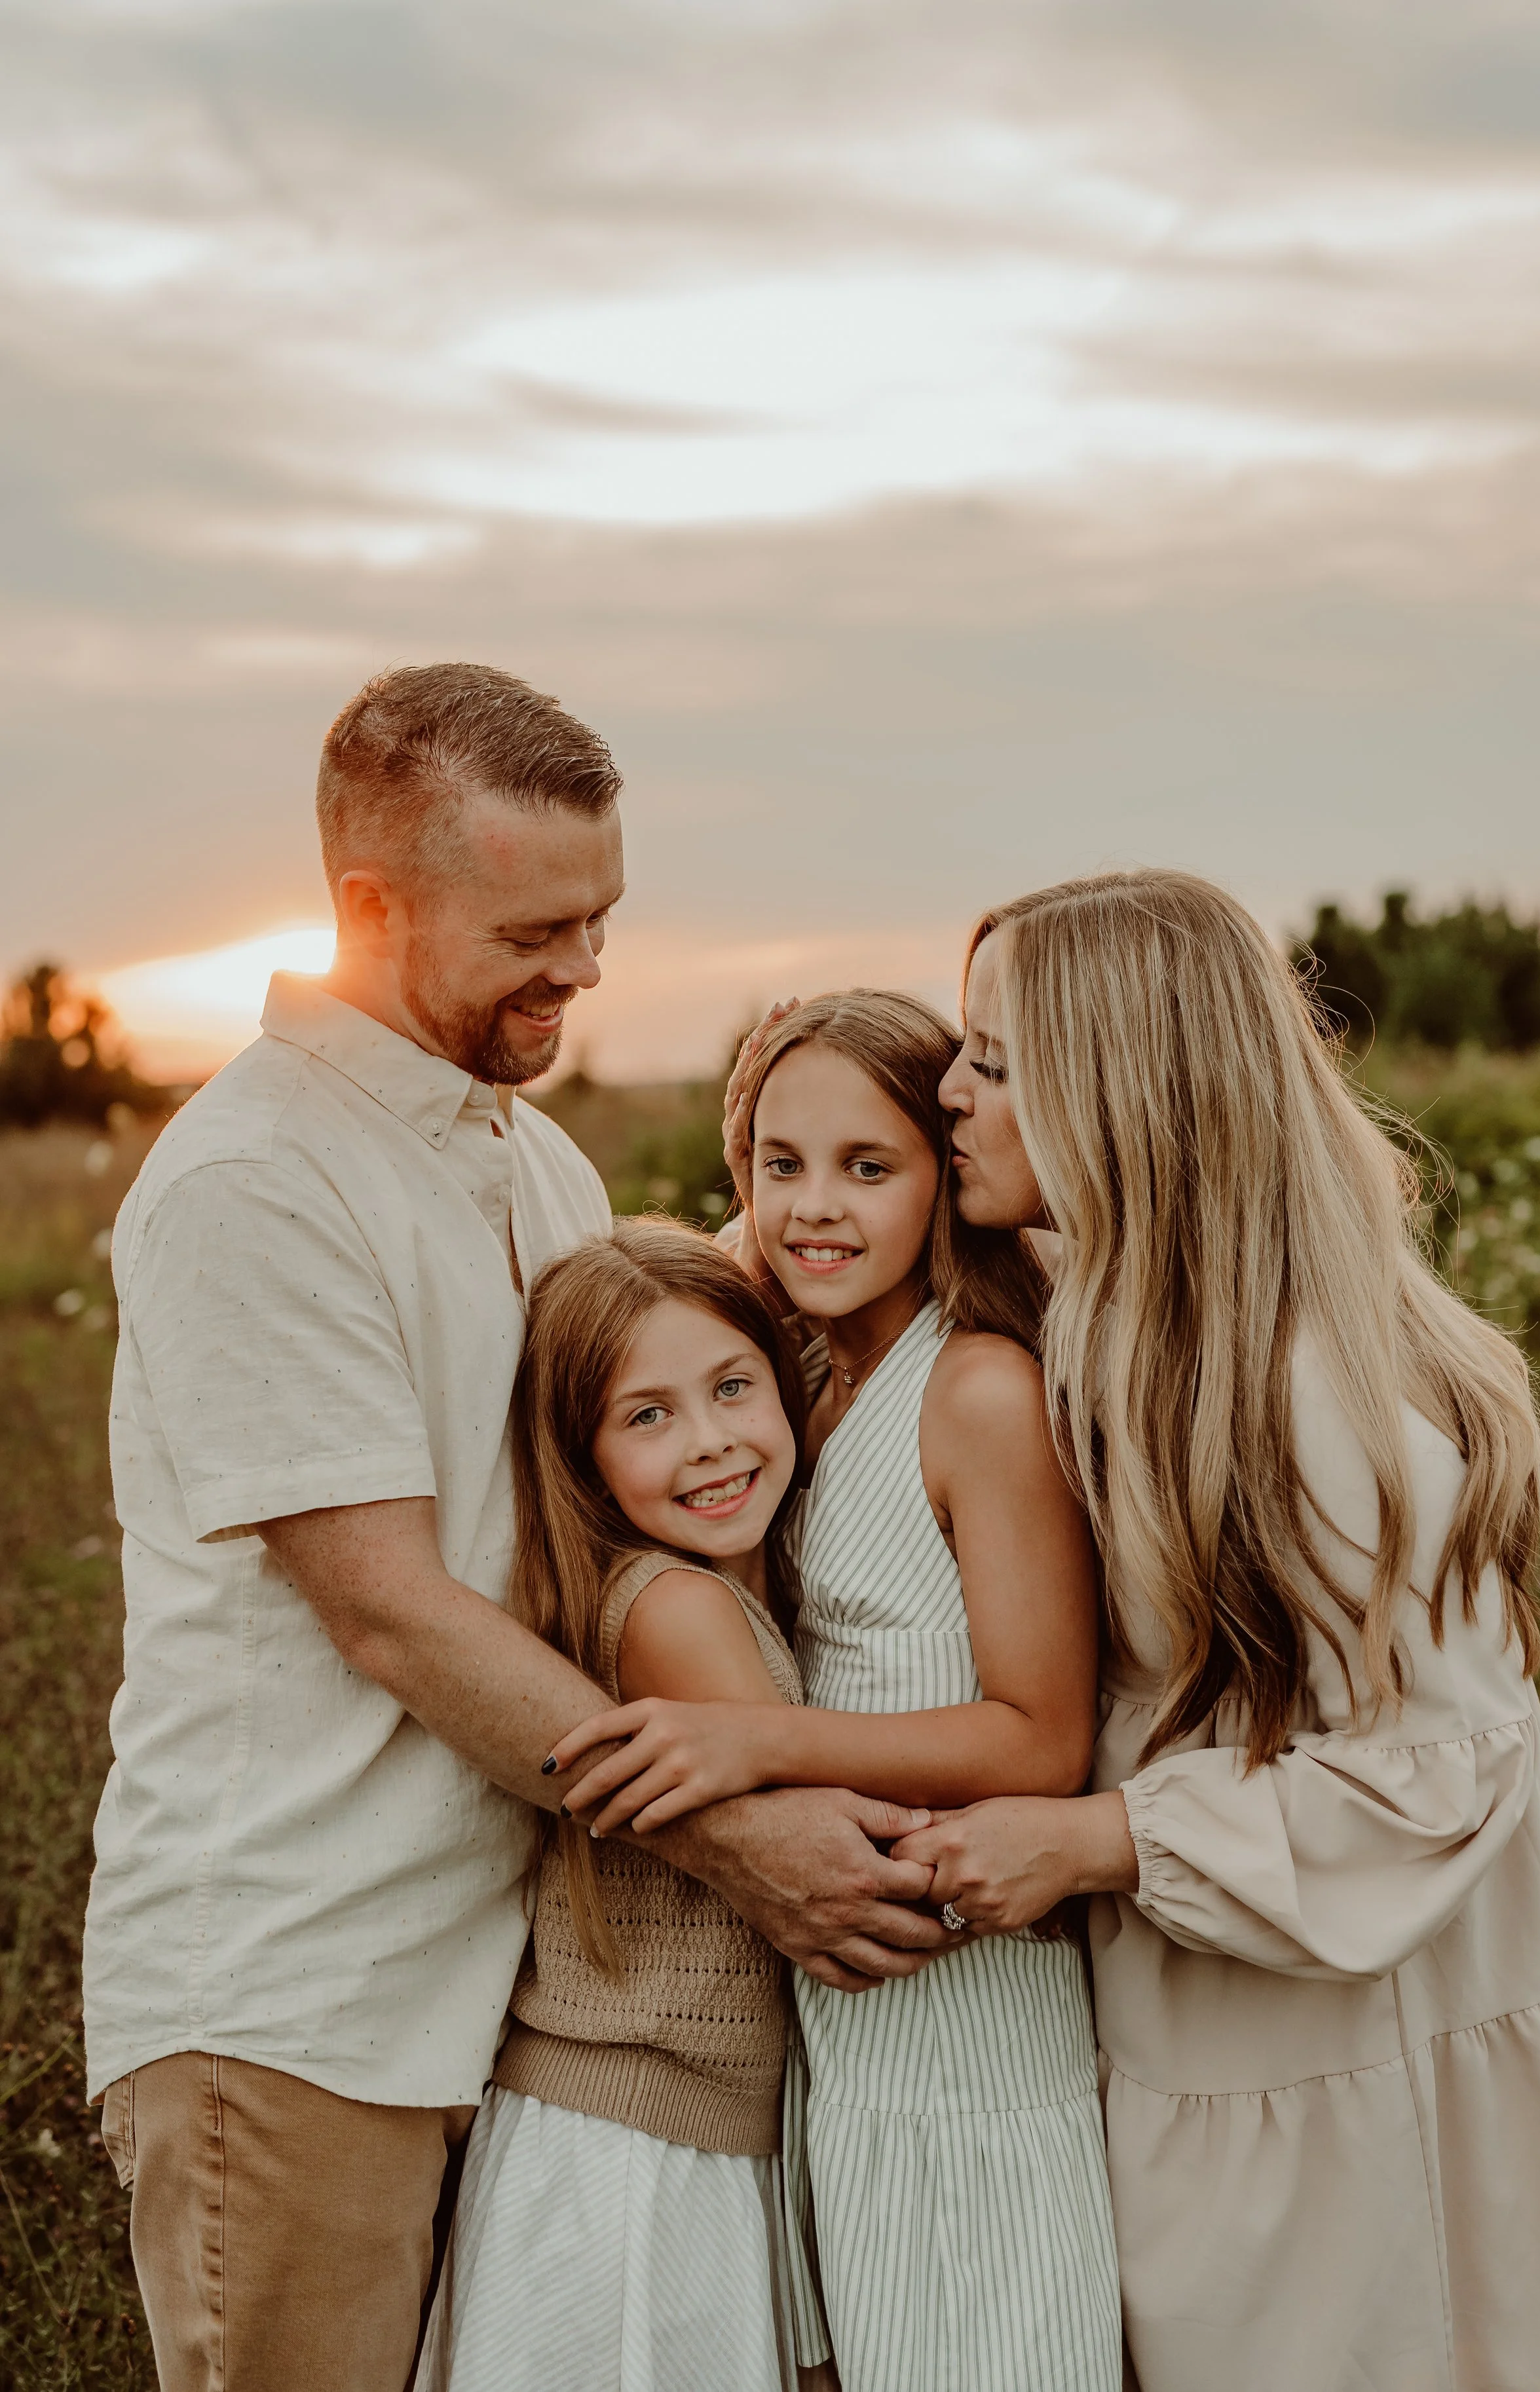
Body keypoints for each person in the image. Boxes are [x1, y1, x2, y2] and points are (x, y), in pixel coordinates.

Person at [83, 664, 943, 2392]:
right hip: (300, 1993)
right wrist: (743, 1839)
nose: (585, 966)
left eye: (603, 916)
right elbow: (390, 1610)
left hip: (517, 1996)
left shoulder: (534, 1168)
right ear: (369, 906)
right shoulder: (261, 1179)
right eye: (535, 926)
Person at [882, 869, 1540, 2392]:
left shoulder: (1300, 1396)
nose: (946, 1091)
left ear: (1124, 1092)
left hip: (1380, 2092)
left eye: (996, 1058)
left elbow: (1440, 1775)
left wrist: (1093, 1838)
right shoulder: (1103, 1310)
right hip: (1222, 2040)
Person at [564, 992, 1123, 2392]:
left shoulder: (977, 1386)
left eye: (868, 1166)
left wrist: (749, 1739)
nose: (816, 1205)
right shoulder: (805, 1385)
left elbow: (1041, 1736)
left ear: (944, 1176)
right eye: (780, 1162)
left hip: (971, 2023)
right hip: (851, 2034)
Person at [418, 1219, 825, 2392]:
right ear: (585, 1460)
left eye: (733, 1386)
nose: (711, 1443)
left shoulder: (721, 1593)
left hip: (667, 2130)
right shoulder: (671, 1613)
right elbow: (817, 1839)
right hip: (633, 2152)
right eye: (647, 1416)